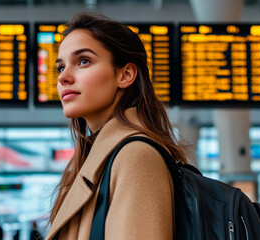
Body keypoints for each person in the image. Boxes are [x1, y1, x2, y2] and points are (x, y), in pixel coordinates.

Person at [46, 12, 187, 240]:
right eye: (60, 68)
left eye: (83, 61)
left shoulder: (136, 156)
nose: (63, 78)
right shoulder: (100, 159)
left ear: (126, 74)